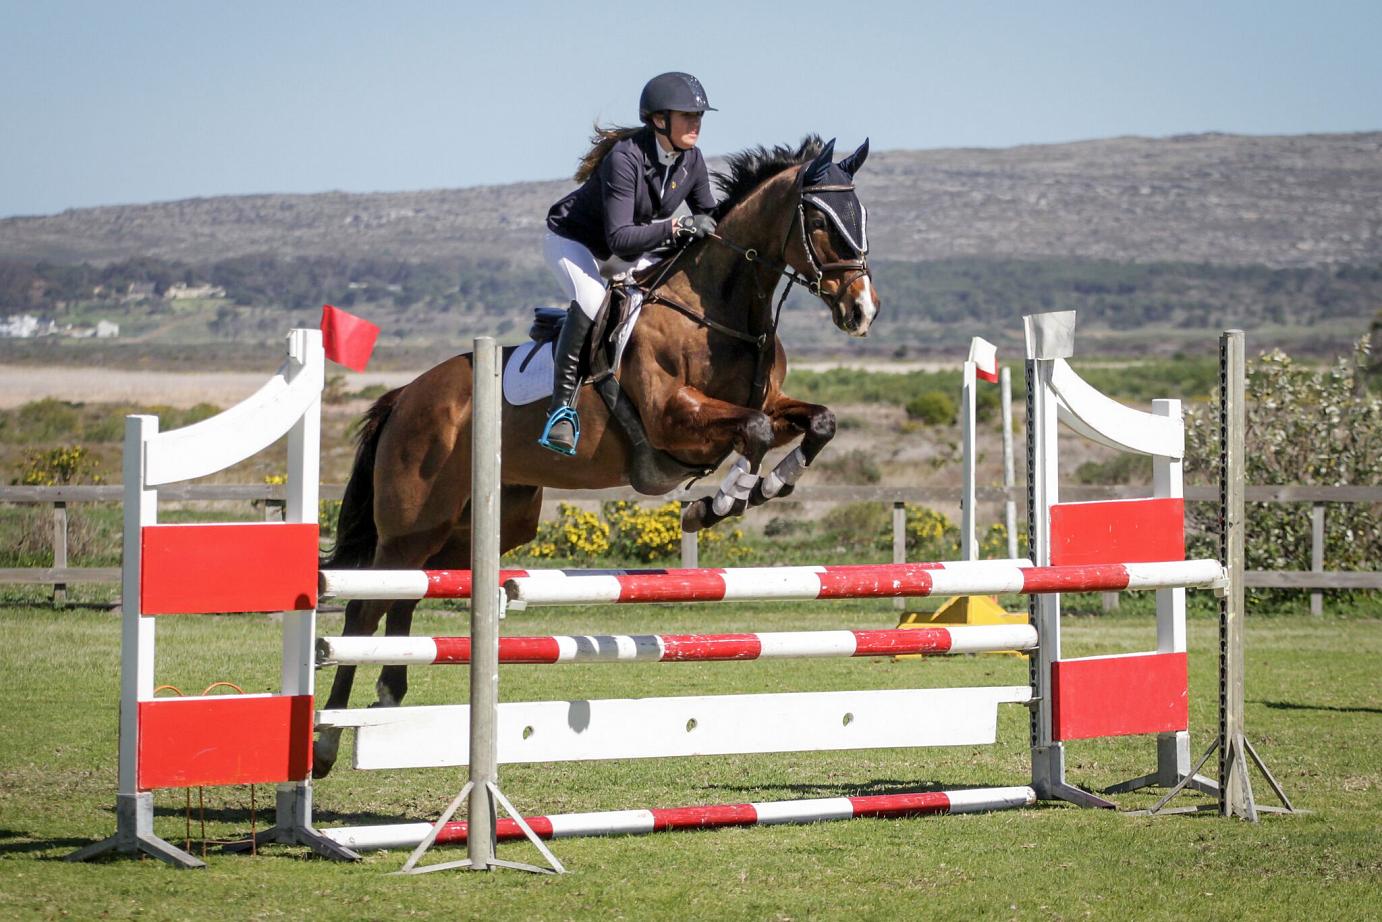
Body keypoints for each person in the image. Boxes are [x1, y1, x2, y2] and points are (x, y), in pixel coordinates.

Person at [538, 72, 720, 455]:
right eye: (687, 115)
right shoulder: (625, 159)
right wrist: (678, 226)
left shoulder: (692, 160)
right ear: (658, 120)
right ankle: (561, 411)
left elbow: (711, 218)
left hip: (628, 251)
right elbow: (620, 236)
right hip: (575, 243)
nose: (696, 123)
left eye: (699, 115)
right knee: (591, 298)